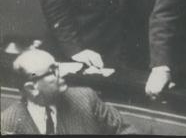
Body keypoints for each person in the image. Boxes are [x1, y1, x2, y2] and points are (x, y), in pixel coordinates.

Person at [1, 48, 136, 134]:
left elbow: (125, 130)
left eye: (57, 67)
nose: (61, 74)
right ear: (32, 88)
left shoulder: (85, 98)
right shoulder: (8, 123)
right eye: (52, 72)